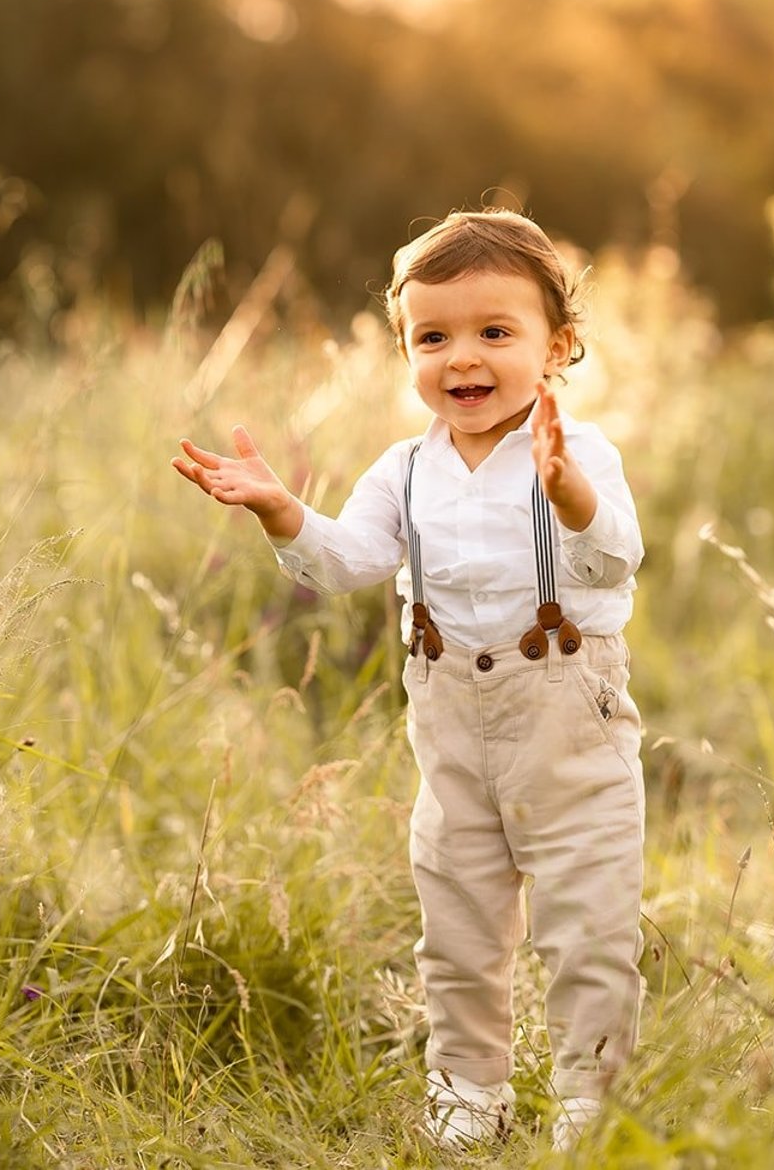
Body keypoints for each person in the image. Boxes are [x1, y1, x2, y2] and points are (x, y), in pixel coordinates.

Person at [170, 209, 646, 1153]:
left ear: (558, 346)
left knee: (585, 916)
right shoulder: (404, 471)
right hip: (450, 726)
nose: (461, 359)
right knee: (458, 919)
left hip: (567, 715)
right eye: (433, 337)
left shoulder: (578, 454)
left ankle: (593, 1096)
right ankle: (470, 1087)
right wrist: (281, 511)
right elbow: (348, 562)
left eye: (494, 333)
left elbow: (615, 563)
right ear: (405, 350)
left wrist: (569, 496)